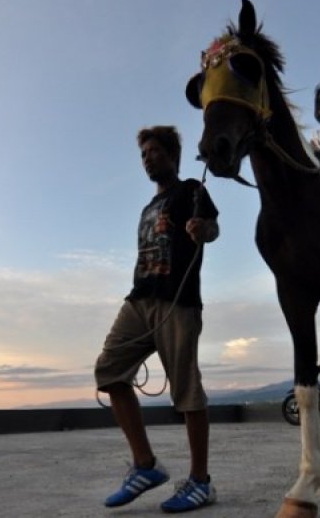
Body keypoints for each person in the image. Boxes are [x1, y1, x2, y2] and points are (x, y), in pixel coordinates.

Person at [94, 125, 219, 513]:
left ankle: (201, 482)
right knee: (110, 371)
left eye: (154, 151)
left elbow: (212, 227)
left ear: (172, 154)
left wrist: (203, 230)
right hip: (140, 299)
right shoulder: (148, 208)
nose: (148, 158)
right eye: (143, 154)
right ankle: (145, 465)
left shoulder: (191, 191)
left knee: (186, 392)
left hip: (177, 301)